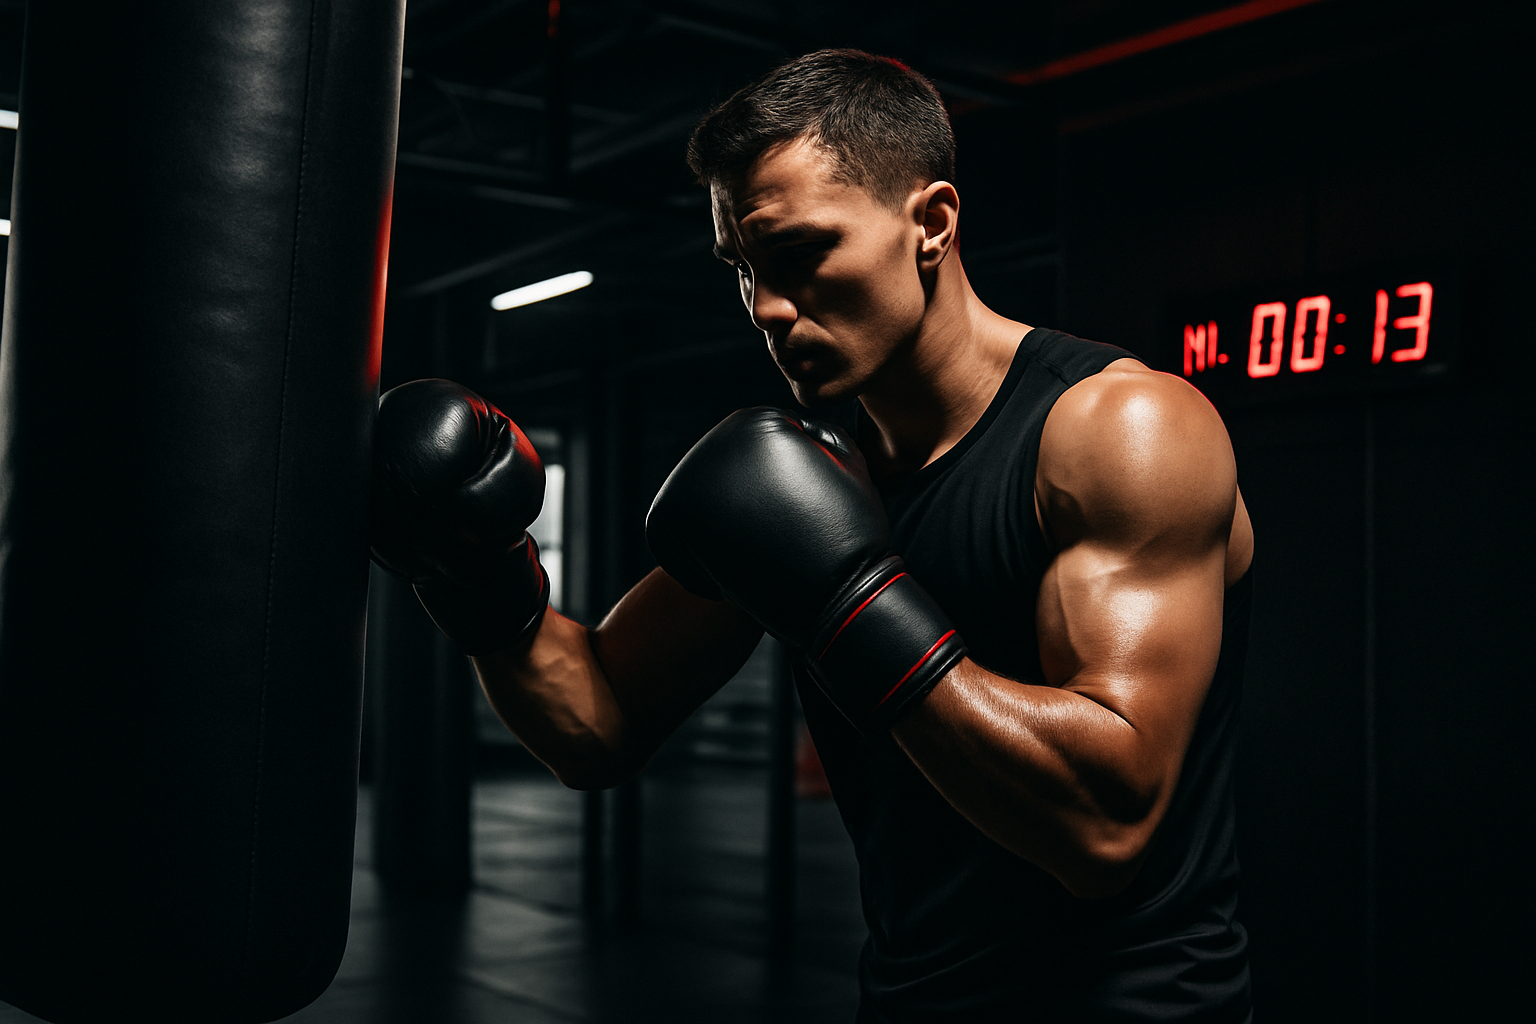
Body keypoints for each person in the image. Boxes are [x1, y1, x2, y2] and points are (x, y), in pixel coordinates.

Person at [370, 48, 1255, 1023]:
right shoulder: (812, 475)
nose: (765, 308)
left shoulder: (1118, 430)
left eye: (797, 256)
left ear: (932, 224)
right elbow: (601, 719)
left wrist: (852, 602)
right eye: (742, 269)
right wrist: (476, 571)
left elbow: (1106, 823)